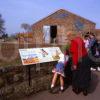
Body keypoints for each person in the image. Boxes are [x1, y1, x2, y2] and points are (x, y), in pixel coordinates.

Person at [66, 31, 91, 96]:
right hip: (86, 59)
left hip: (80, 60)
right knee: (85, 75)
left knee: (77, 75)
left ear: (70, 36)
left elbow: (76, 54)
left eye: (68, 36)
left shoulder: (74, 42)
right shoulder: (79, 39)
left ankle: (77, 89)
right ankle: (85, 90)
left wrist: (74, 64)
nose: (68, 38)